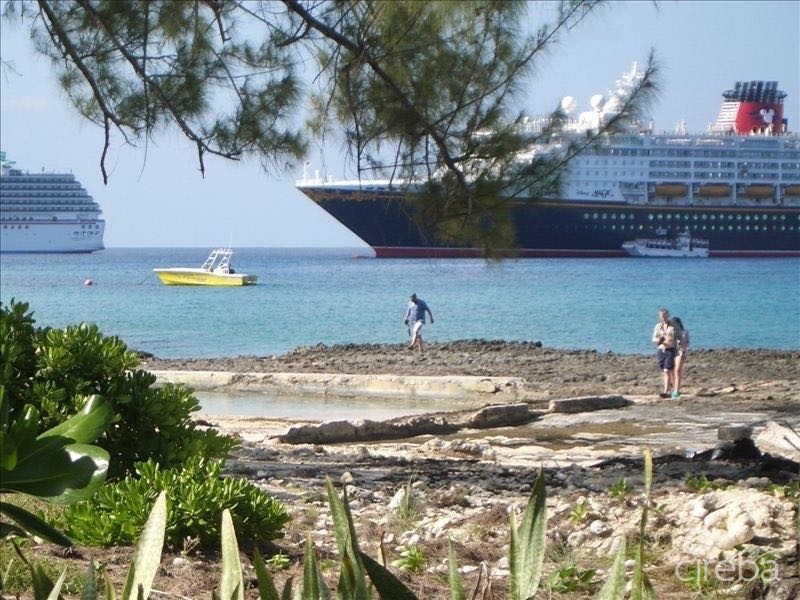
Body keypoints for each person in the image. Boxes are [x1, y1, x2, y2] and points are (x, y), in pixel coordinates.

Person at [651, 308, 676, 398]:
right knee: (665, 371)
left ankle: (666, 391)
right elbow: (653, 339)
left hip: (670, 349)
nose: (664, 318)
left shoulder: (672, 326)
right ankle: (671, 389)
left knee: (667, 370)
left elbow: (676, 337)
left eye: (665, 316)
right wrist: (660, 340)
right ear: (659, 317)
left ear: (668, 315)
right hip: (661, 350)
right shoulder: (658, 326)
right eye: (662, 316)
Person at [670, 316, 690, 399]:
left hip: (680, 352)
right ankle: (675, 388)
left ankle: (676, 391)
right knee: (671, 371)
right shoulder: (670, 331)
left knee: (677, 371)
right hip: (671, 351)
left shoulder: (684, 332)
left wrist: (683, 349)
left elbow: (687, 342)